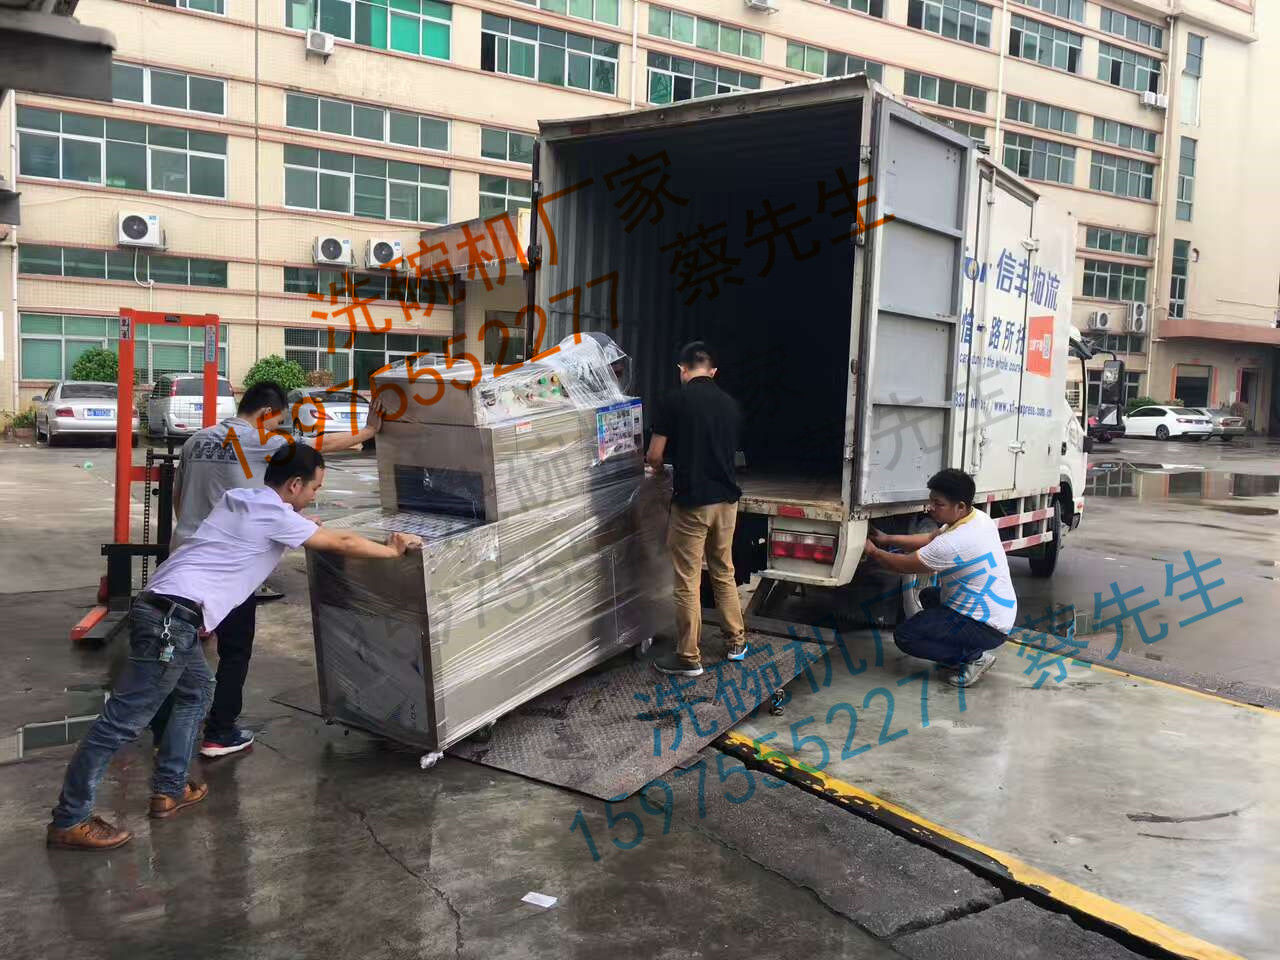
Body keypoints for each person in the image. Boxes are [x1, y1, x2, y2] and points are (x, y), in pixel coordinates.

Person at [47, 445, 423, 851]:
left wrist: (299, 521)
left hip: (163, 607)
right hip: (173, 621)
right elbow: (342, 542)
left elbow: (271, 527)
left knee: (197, 691)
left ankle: (170, 788)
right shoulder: (276, 517)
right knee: (122, 720)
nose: (316, 495)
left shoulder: (240, 499)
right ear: (295, 484)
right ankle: (71, 818)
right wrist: (392, 551)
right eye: (315, 488)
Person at [154, 380, 383, 758]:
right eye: (277, 421)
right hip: (227, 567)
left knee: (172, 653)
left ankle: (164, 736)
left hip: (184, 558)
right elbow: (315, 451)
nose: (279, 430)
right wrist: (368, 431)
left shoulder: (196, 440)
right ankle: (219, 732)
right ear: (265, 414)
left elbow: (179, 498)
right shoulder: (261, 439)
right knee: (234, 651)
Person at [645, 341, 747, 677]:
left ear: (682, 369)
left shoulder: (673, 401)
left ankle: (688, 656)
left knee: (688, 579)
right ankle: (736, 642)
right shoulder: (730, 404)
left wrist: (656, 472)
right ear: (712, 371)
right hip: (726, 502)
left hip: (693, 504)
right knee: (723, 570)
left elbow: (655, 455)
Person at [861, 468, 1016, 687]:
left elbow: (903, 565)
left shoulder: (957, 541)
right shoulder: (977, 518)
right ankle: (960, 650)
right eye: (931, 500)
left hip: (986, 626)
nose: (930, 507)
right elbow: (929, 539)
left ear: (960, 506)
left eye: (938, 503)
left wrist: (873, 552)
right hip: (996, 613)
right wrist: (887, 539)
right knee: (928, 595)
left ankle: (973, 657)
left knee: (905, 636)